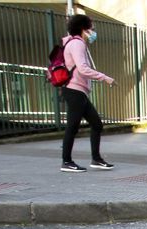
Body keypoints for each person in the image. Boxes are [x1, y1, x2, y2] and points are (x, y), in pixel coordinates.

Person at [60, 14, 116, 173]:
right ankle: (67, 161)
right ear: (83, 29)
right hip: (74, 89)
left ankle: (96, 159)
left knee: (96, 124)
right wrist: (105, 78)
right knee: (73, 126)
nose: (93, 32)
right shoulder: (77, 44)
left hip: (78, 90)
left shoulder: (73, 42)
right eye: (92, 28)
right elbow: (83, 69)